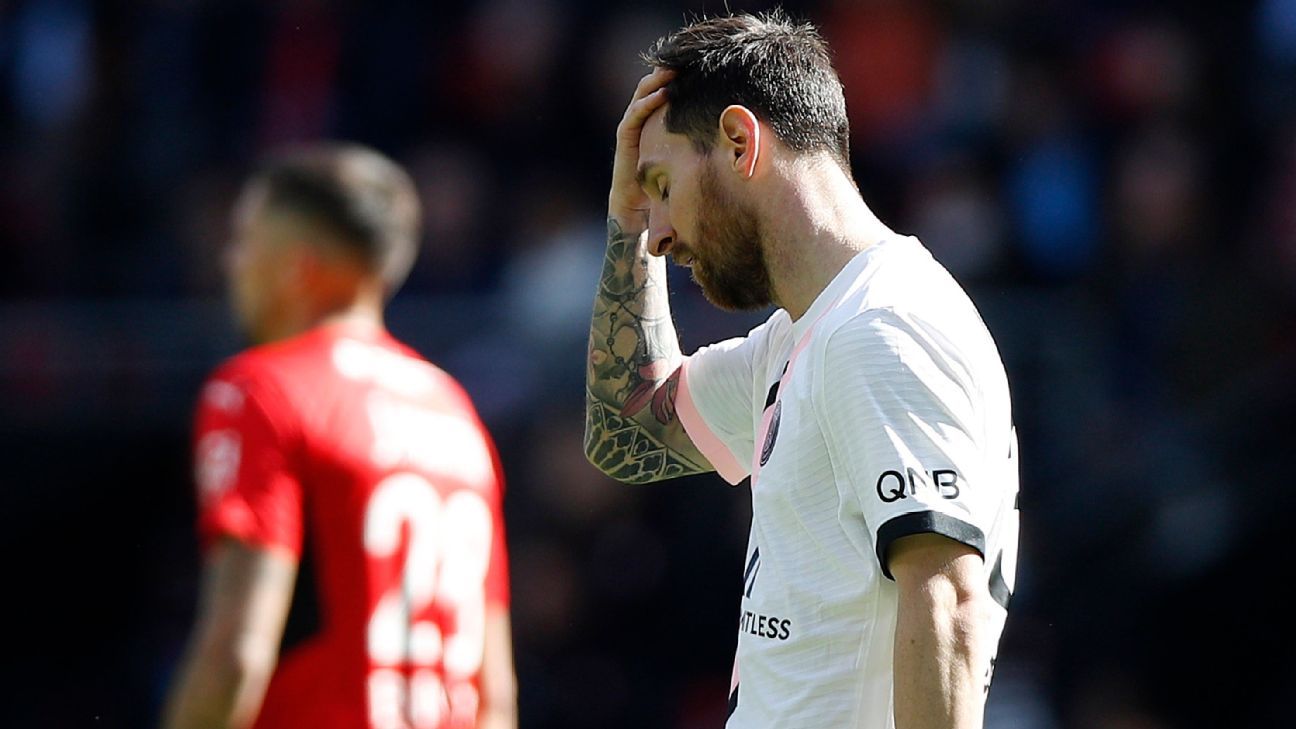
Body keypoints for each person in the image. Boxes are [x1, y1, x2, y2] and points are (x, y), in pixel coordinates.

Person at [584, 12, 1018, 729]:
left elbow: (945, 602)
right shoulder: (802, 338)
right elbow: (630, 427)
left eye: (661, 185)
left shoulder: (882, 326)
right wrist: (624, 220)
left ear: (737, 141)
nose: (659, 234)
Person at [161, 144, 516, 729]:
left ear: (299, 268)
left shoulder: (262, 389)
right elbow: (494, 694)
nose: (232, 262)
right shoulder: (455, 412)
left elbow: (237, 652)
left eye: (246, 239)